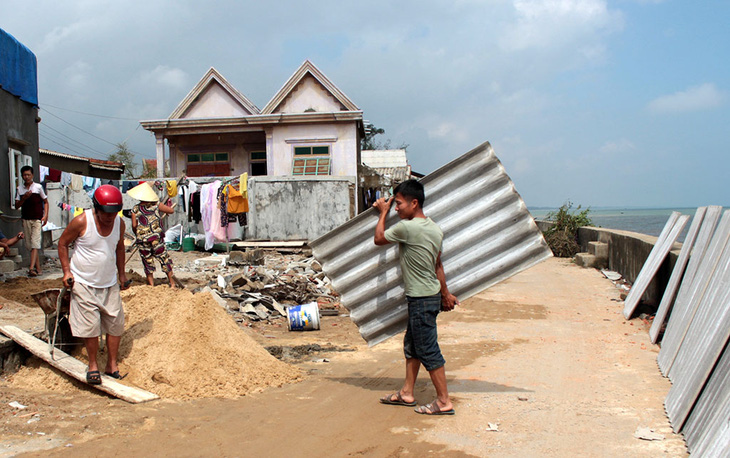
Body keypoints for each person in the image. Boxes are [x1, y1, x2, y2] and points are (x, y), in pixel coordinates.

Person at [373, 179, 459, 416]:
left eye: (398, 203)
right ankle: (407, 392)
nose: (396, 208)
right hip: (428, 296)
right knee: (412, 345)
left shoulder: (407, 228)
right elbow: (437, 264)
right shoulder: (435, 228)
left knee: (427, 349)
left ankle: (443, 402)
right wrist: (445, 294)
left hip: (421, 299)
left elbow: (379, 239)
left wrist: (383, 212)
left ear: (414, 202)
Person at [58, 185, 129, 385]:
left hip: (109, 282)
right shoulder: (81, 222)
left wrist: (122, 274)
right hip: (84, 281)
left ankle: (112, 365)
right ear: (96, 208)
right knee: (90, 326)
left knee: (115, 324)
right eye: (106, 214)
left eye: (114, 213)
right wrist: (66, 271)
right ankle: (93, 366)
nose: (110, 217)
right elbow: (62, 243)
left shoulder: (119, 224)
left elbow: (119, 247)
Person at [128, 182, 176, 287]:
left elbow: (134, 225)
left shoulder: (135, 209)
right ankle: (172, 283)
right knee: (164, 258)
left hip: (142, 240)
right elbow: (171, 211)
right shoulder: (156, 205)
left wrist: (139, 234)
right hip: (156, 238)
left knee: (147, 261)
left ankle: (151, 285)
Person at [15, 166, 49, 276]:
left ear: (32, 175)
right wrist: (24, 198)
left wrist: (46, 215)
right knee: (30, 245)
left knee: (35, 243)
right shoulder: (20, 189)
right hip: (26, 219)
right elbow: (16, 205)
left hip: (37, 219)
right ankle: (38, 269)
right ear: (22, 176)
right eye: (25, 175)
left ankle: (31, 268)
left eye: (28, 175)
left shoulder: (38, 187)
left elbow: (46, 201)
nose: (27, 177)